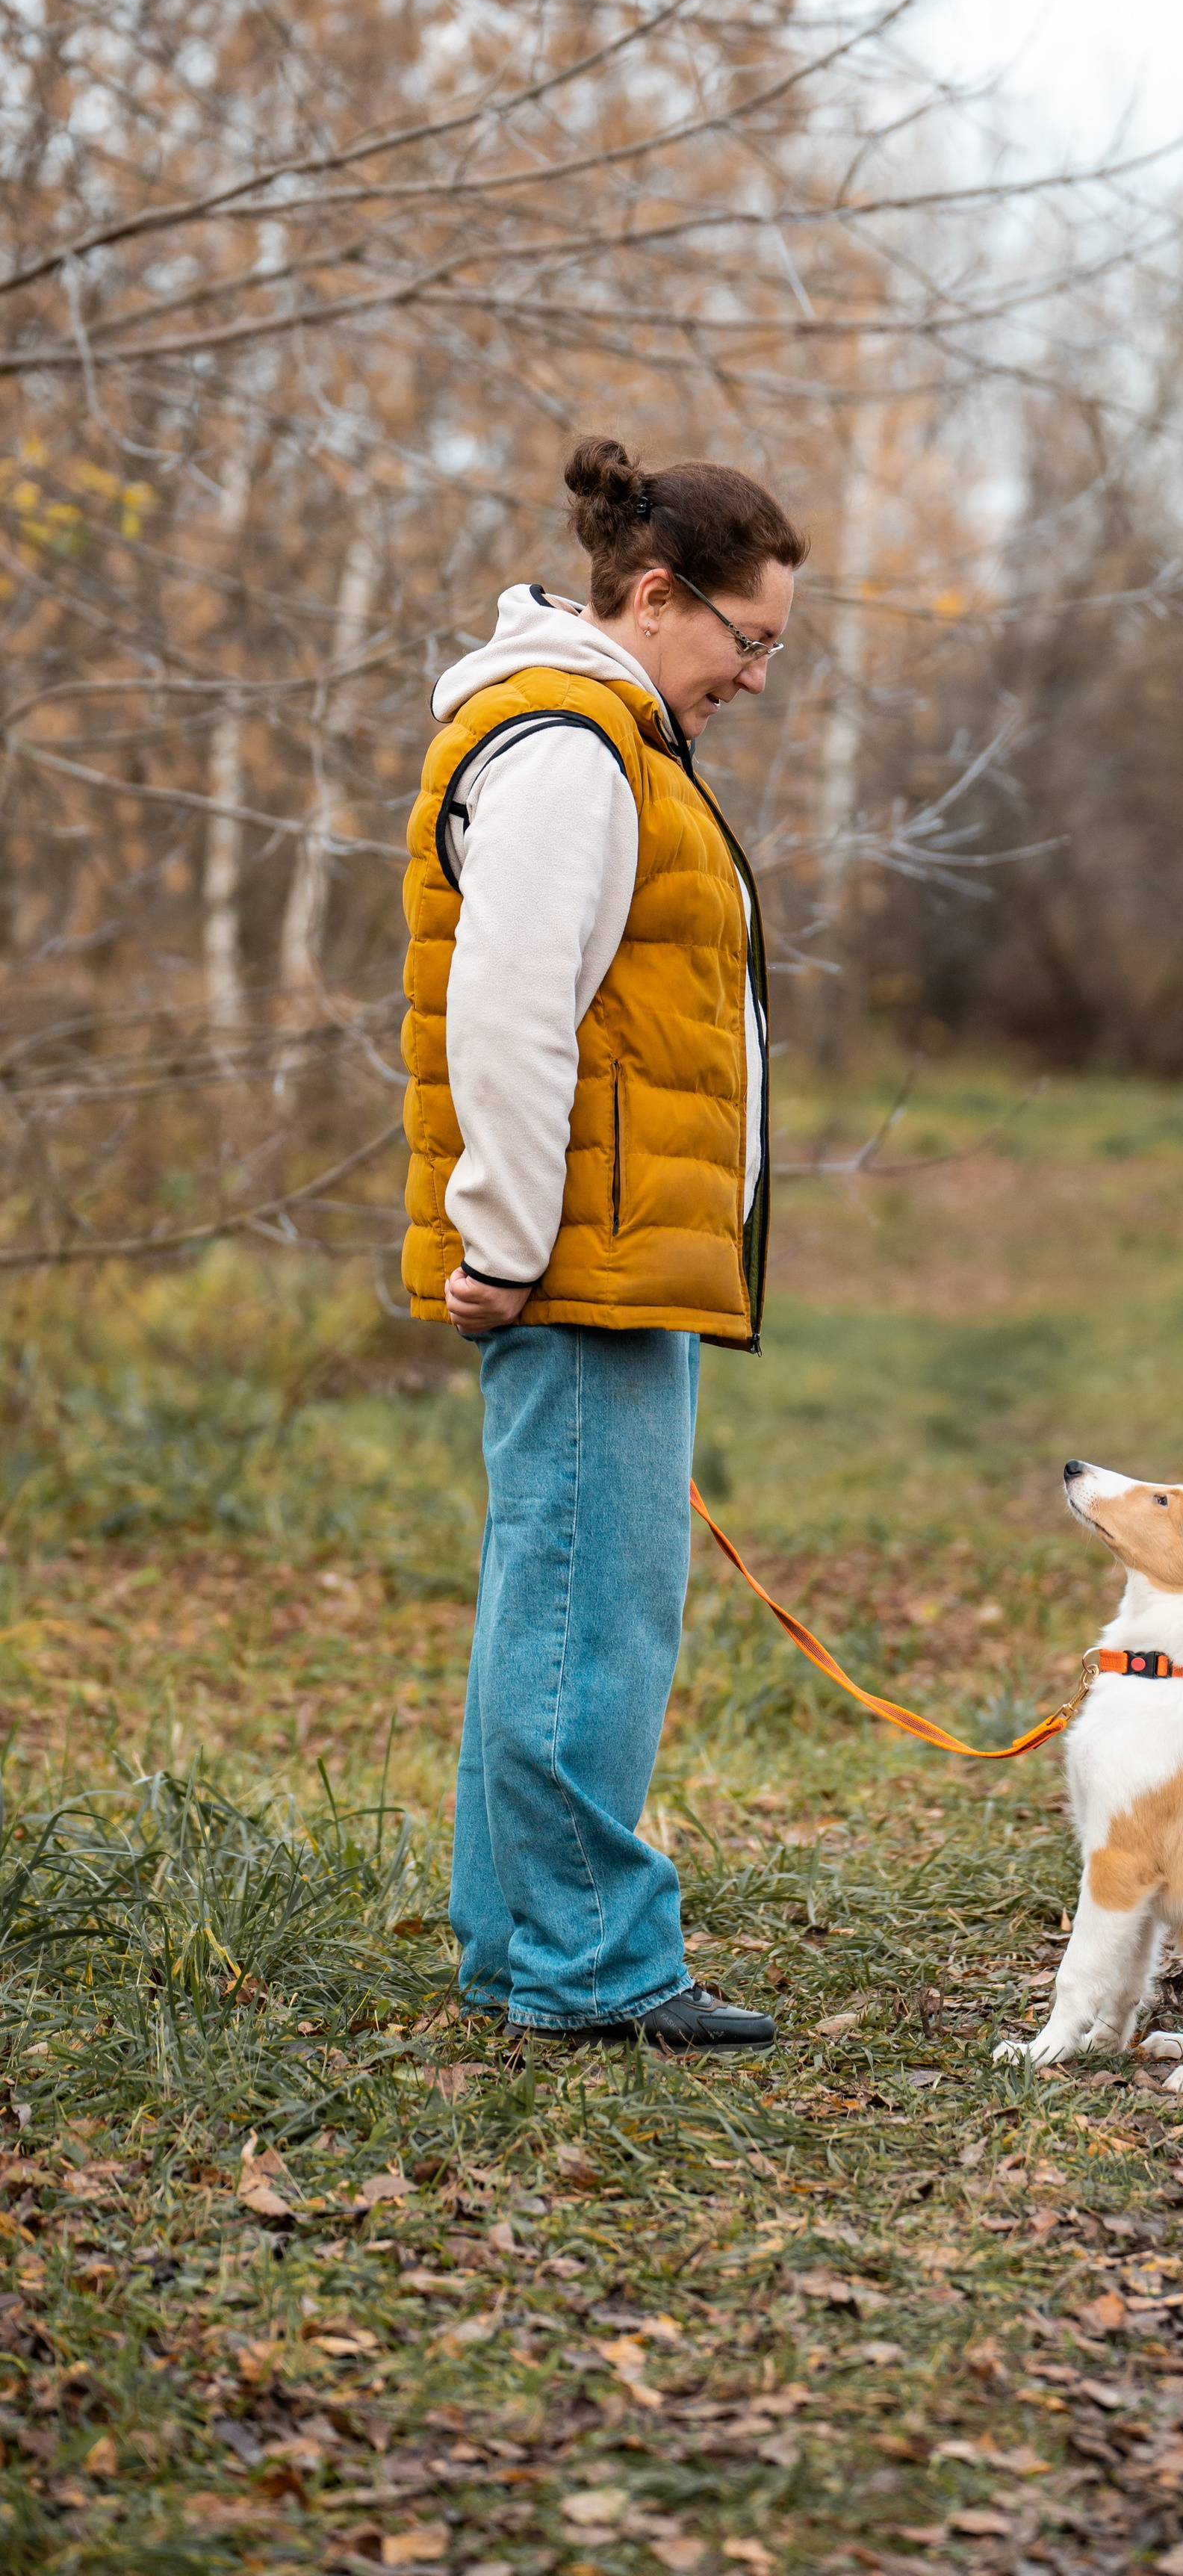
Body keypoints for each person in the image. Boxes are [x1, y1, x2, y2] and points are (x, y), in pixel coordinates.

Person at [400, 437, 809, 2047]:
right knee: (590, 1608)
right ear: (655, 597)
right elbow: (505, 1012)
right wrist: (501, 1237)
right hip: (578, 1252)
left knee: (556, 1595)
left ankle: (524, 1948)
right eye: (746, 641)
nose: (756, 677)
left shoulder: (601, 738)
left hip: (611, 1247)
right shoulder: (569, 748)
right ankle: (592, 1966)